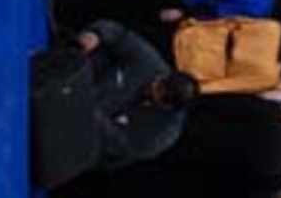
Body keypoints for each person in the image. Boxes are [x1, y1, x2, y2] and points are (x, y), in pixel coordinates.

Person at [77, 20, 202, 170]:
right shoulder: (150, 63)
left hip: (84, 140)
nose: (150, 89)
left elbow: (117, 142)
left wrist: (82, 105)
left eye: (156, 95)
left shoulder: (162, 135)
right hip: (84, 85)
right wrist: (96, 34)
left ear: (168, 107)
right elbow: (119, 34)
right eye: (156, 84)